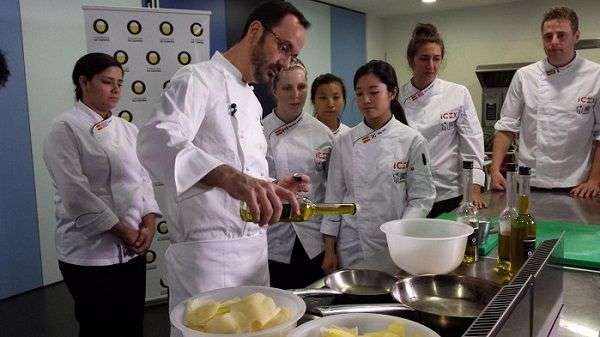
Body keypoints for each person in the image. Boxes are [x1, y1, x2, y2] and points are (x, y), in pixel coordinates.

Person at [136, 1, 310, 333]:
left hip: (255, 252)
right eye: (283, 47)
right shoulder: (197, 79)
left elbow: (243, 170)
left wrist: (269, 186)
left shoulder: (253, 100)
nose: (285, 62)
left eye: (292, 55)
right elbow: (155, 140)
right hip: (208, 258)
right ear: (256, 31)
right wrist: (230, 177)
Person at [43, 53, 160, 337]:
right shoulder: (65, 128)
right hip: (89, 253)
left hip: (132, 248)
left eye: (120, 83)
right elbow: (76, 194)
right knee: (98, 326)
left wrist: (150, 222)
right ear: (84, 82)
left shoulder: (128, 129)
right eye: (108, 82)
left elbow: (143, 180)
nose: (117, 90)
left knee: (132, 322)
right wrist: (122, 231)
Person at [321, 60, 436, 272]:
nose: (366, 100)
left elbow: (421, 198)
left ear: (392, 93)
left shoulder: (412, 141)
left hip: (396, 243)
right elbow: (334, 198)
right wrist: (329, 250)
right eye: (359, 93)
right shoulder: (345, 141)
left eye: (374, 92)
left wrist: (400, 232)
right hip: (352, 244)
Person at [492, 6, 600, 198]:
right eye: (548, 36)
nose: (554, 42)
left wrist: (594, 180)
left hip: (577, 184)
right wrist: (494, 169)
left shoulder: (596, 76)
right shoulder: (525, 76)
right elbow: (507, 126)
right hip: (529, 180)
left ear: (576, 36)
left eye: (561, 35)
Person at [399, 23, 486, 218]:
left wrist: (474, 188)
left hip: (450, 194)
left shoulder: (458, 94)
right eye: (424, 58)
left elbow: (471, 145)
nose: (431, 65)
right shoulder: (397, 99)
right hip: (411, 196)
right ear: (411, 60)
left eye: (436, 59)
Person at [263, 58, 334, 289]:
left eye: (302, 87)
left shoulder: (323, 134)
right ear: (274, 90)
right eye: (287, 88)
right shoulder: (257, 132)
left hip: (313, 239)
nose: (296, 95)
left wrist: (331, 246)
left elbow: (333, 191)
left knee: (314, 308)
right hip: (273, 239)